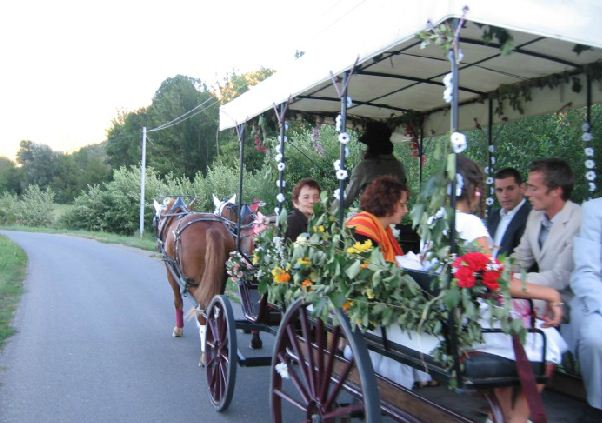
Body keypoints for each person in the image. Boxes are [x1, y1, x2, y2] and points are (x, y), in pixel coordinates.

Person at [453, 156, 566, 423]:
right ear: (474, 190)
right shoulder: (470, 224)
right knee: (550, 341)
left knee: (526, 323)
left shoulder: (435, 221)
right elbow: (497, 281)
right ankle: (516, 418)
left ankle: (504, 417)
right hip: (474, 321)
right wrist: (551, 295)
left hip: (455, 315)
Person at [510, 158, 581, 315]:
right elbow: (522, 257)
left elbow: (561, 277)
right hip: (541, 295)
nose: (527, 193)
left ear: (556, 190)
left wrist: (510, 282)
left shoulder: (579, 220)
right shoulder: (534, 216)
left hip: (571, 303)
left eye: (533, 188)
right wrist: (492, 272)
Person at [569, 198, 602, 422]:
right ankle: (597, 406)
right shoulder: (595, 209)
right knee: (595, 338)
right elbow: (586, 272)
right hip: (598, 297)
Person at [345, 175, 407, 263]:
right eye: (402, 205)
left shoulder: (384, 229)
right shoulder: (361, 229)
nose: (406, 210)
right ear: (387, 203)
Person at [344, 121, 407, 207]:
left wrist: (329, 209)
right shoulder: (398, 166)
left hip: (371, 217)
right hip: (394, 216)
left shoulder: (364, 167)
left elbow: (347, 199)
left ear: (371, 146)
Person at [487, 167, 531, 258]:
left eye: (510, 188)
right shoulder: (493, 216)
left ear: (522, 188)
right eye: (499, 190)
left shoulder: (531, 216)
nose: (505, 195)